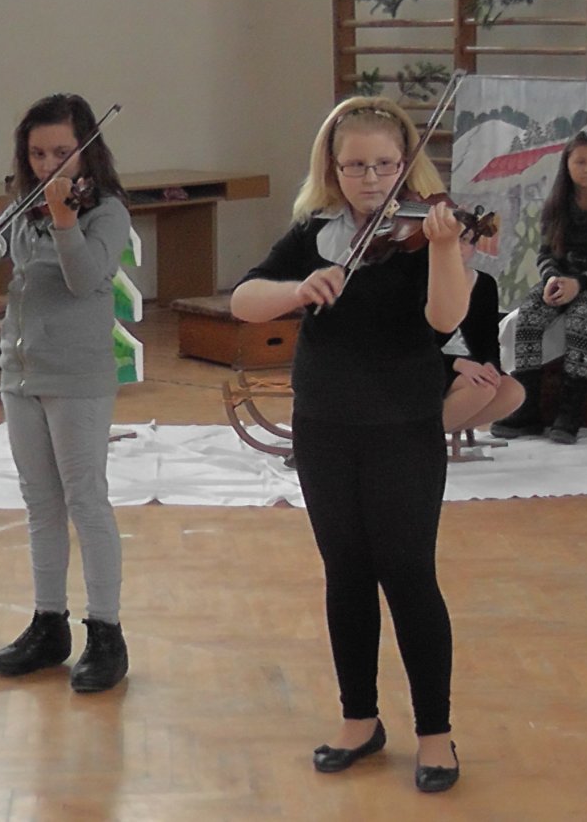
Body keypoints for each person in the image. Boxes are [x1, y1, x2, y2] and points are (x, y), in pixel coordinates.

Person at [230, 96, 470, 793]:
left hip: (402, 425)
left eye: (385, 165)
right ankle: (359, 719)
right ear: (332, 168)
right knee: (346, 571)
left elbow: (445, 318)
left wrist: (446, 246)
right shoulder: (316, 232)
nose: (371, 179)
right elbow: (244, 300)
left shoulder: (426, 230)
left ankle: (435, 733)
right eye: (356, 166)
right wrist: (296, 290)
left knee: (409, 573)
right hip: (325, 423)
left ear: (407, 165)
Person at [0, 93, 133, 695]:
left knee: (85, 501)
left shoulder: (106, 212)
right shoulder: (23, 212)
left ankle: (106, 632)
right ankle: (49, 623)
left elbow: (85, 280)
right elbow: (3, 261)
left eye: (62, 152)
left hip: (76, 377)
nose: (49, 165)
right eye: (38, 154)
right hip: (20, 373)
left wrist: (66, 222)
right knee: (40, 504)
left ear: (87, 151)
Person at [489, 131, 587, 444]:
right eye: (580, 162)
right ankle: (526, 408)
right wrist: (552, 279)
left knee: (580, 318)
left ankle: (571, 411)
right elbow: (545, 253)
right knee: (528, 316)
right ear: (566, 164)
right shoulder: (556, 202)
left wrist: (579, 284)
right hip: (562, 278)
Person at [441, 231, 524, 436]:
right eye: (453, 239)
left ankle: (437, 431)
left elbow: (488, 338)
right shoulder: (422, 280)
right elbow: (415, 343)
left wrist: (490, 364)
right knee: (481, 390)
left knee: (513, 392)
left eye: (466, 240)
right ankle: (417, 439)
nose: (459, 246)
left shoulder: (484, 283)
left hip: (471, 363)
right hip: (433, 363)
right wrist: (458, 364)